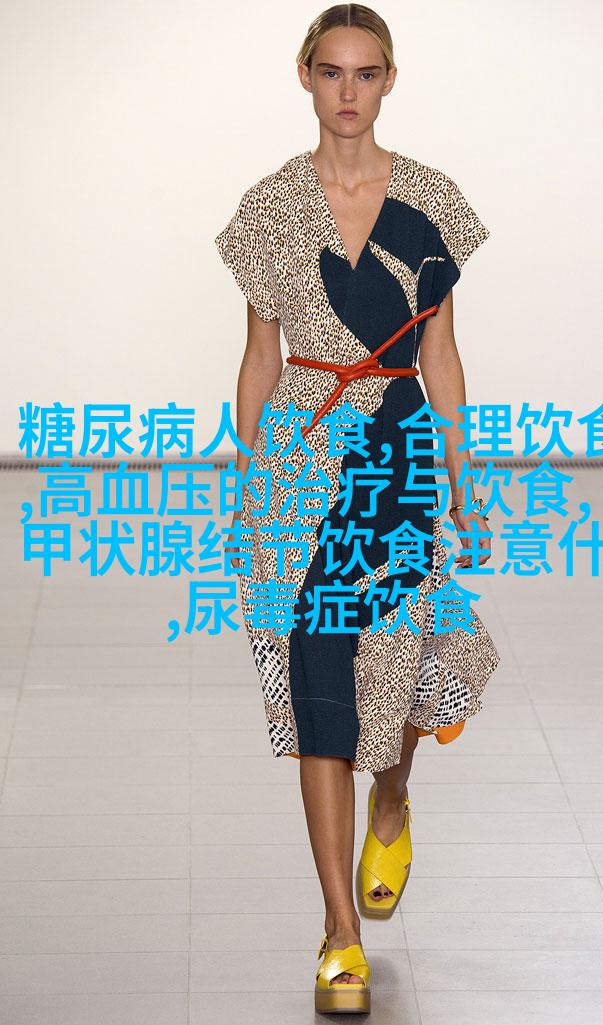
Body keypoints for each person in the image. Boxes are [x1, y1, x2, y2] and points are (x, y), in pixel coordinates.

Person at [214, 3, 501, 1014]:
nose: (347, 91)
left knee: (402, 656)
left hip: (398, 447)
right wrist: (251, 471)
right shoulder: (269, 206)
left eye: (365, 73)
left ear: (388, 80)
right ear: (304, 75)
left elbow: (440, 353)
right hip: (301, 450)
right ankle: (338, 928)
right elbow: (258, 356)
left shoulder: (429, 200)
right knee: (319, 681)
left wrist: (461, 474)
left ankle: (393, 794)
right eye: (330, 72)